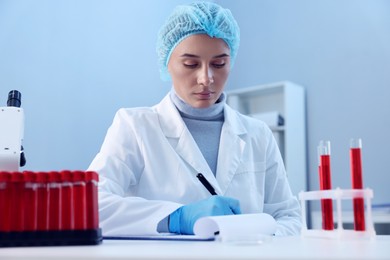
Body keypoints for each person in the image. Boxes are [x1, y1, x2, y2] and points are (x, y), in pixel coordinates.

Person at [87, 1, 301, 236]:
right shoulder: (135, 126)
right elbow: (92, 204)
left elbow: (289, 217)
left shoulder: (258, 134)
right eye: (191, 64)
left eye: (219, 64)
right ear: (166, 61)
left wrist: (252, 235)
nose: (206, 78)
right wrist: (175, 218)